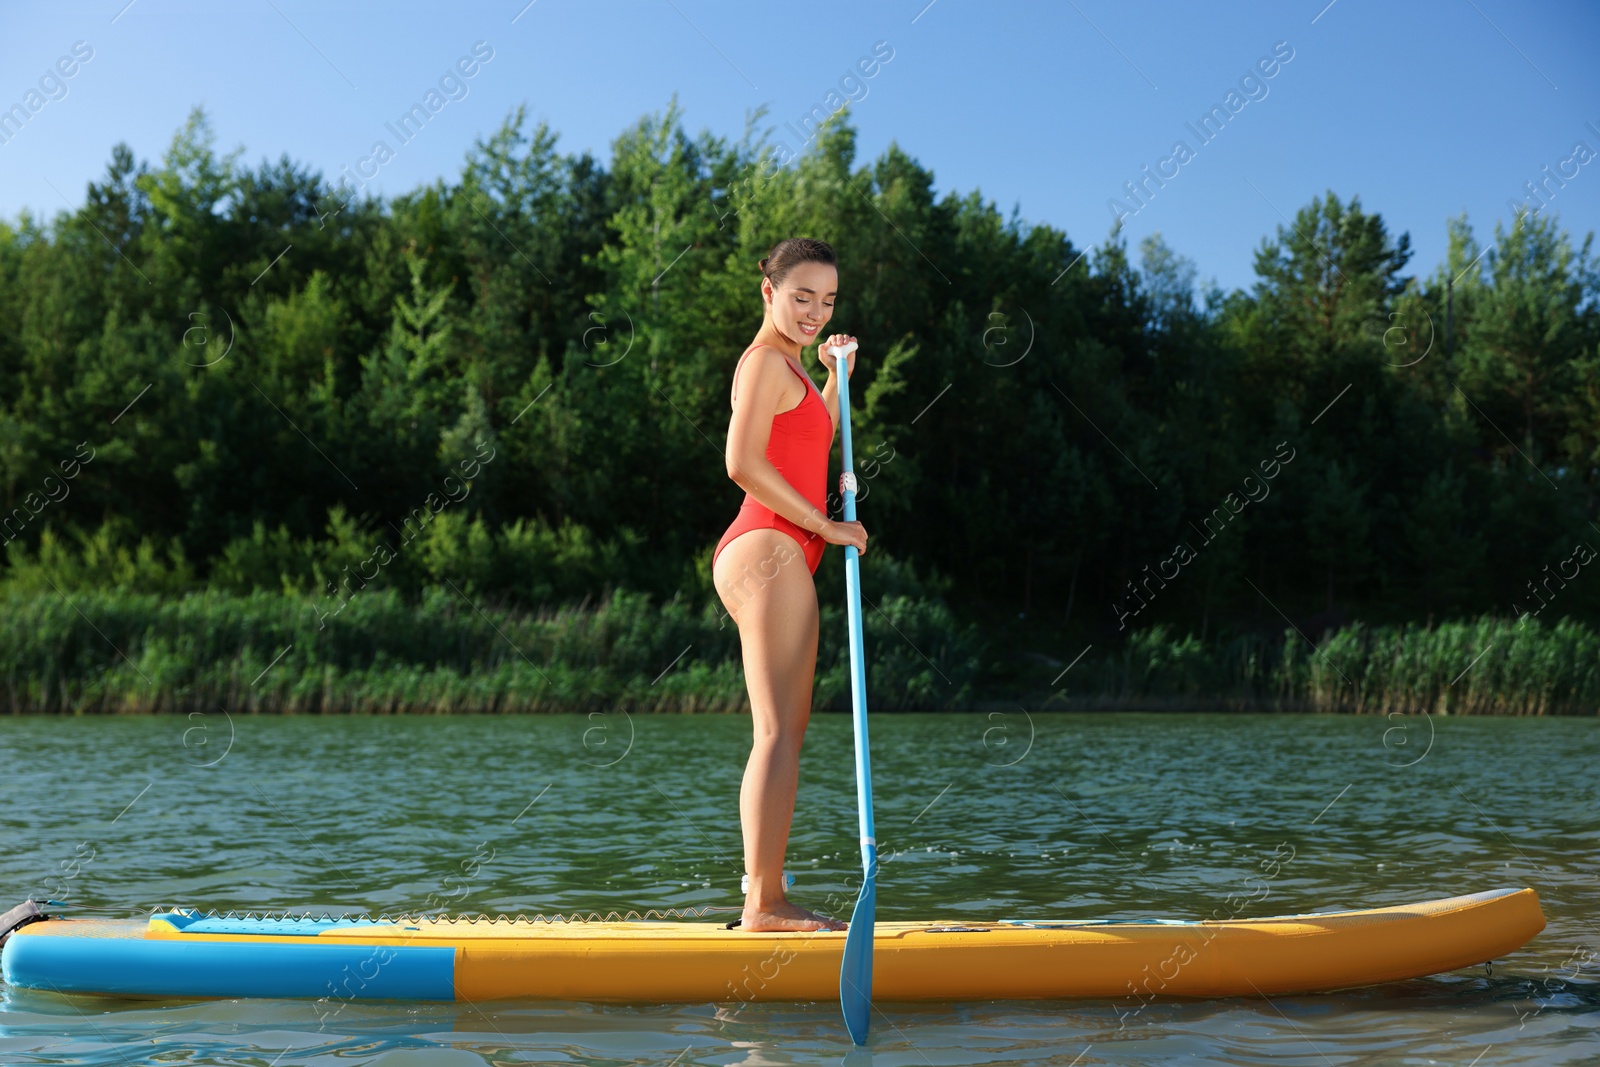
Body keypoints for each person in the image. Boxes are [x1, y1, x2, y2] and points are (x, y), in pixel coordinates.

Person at [711, 237, 867, 933]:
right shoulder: (763, 364)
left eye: (827, 299)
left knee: (786, 730)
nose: (814, 310)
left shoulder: (796, 373)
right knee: (775, 730)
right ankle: (764, 905)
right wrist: (824, 525)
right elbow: (741, 461)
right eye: (802, 295)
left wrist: (838, 374)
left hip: (782, 550)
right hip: (771, 543)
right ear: (767, 290)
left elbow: (813, 438)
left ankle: (765, 897)